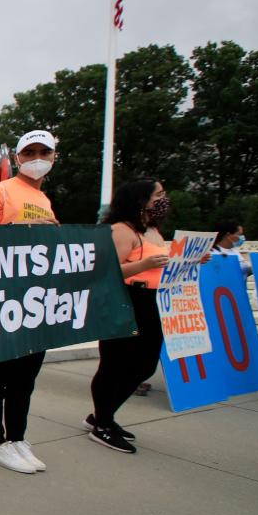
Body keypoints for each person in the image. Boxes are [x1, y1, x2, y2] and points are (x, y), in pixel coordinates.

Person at [0, 130, 59, 474]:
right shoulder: (0, 192)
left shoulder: (46, 200)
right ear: (19, 157)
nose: (37, 157)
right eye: (30, 151)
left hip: (37, 300)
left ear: (53, 157)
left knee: (27, 375)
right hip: (5, 299)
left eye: (44, 151)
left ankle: (17, 437)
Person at [85, 179, 171, 453]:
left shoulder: (152, 230)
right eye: (158, 195)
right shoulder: (123, 231)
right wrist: (143, 264)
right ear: (140, 200)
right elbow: (105, 271)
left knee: (145, 364)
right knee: (115, 363)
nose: (163, 199)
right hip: (126, 300)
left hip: (152, 301)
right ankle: (103, 422)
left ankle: (103, 414)